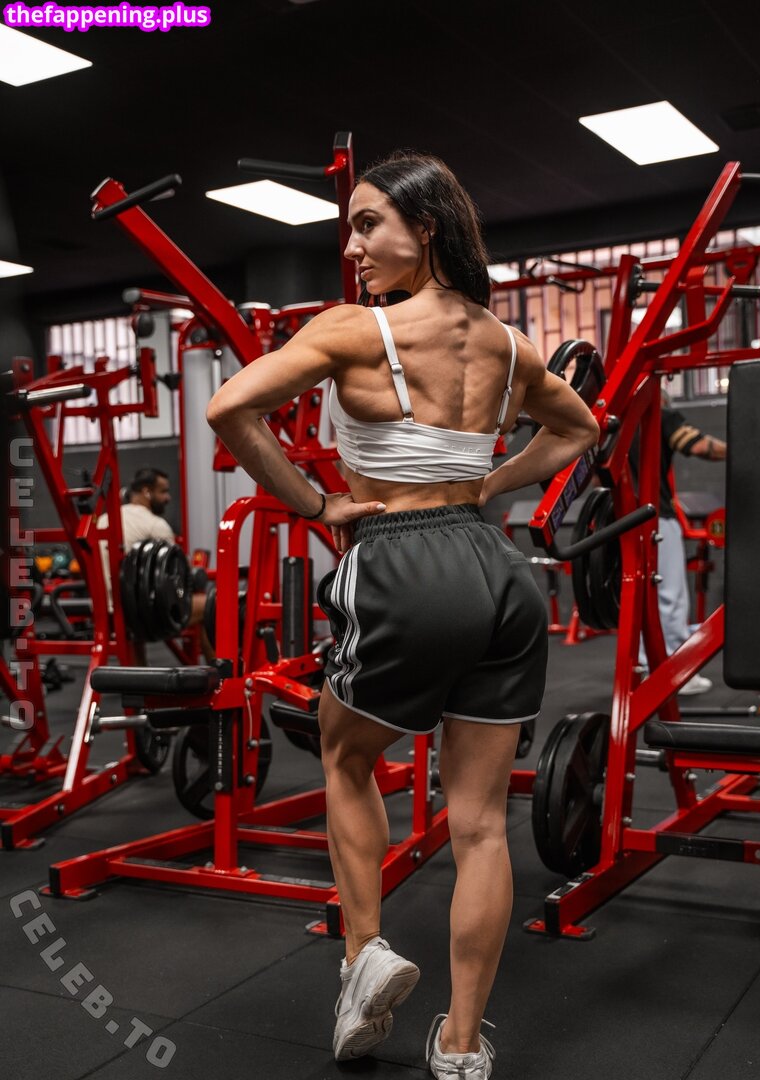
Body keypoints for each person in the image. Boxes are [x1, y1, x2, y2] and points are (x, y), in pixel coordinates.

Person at [206, 151, 599, 1079]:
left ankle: (364, 956)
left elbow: (230, 408)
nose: (351, 247)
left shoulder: (356, 328)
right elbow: (581, 426)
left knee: (344, 755)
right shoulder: (508, 344)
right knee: (481, 824)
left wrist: (315, 504)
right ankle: (460, 1046)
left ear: (426, 228)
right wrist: (488, 487)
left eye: (367, 224)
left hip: (402, 559)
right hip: (501, 575)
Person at [633, 400, 727, 693]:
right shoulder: (660, 415)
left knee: (638, 597)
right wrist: (749, 448)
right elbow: (700, 447)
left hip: (620, 520)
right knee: (670, 596)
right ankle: (674, 671)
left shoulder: (614, 421)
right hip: (657, 518)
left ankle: (645, 668)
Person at [99, 467, 212, 664]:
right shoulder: (155, 525)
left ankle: (139, 676)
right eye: (163, 491)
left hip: (105, 610)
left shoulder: (104, 519)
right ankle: (222, 676)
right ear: (146, 492)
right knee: (211, 604)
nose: (168, 497)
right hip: (141, 615)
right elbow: (181, 577)